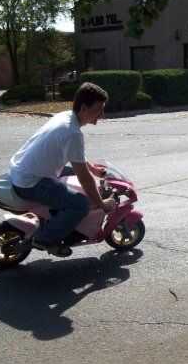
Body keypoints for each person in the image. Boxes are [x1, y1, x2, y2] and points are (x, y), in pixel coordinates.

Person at [9, 82, 116, 256]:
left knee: (76, 178)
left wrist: (92, 169)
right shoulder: (72, 133)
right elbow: (85, 179)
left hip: (22, 170)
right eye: (98, 109)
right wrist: (102, 204)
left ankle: (57, 217)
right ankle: (44, 238)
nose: (102, 114)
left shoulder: (65, 116)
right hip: (31, 182)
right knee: (81, 205)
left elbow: (76, 156)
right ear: (84, 108)